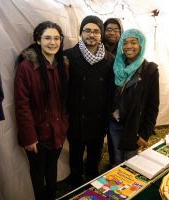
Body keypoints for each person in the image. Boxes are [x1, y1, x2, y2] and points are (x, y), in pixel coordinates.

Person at [14, 21, 68, 200]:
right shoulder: (26, 67)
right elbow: (22, 105)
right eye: (47, 38)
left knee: (52, 168)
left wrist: (64, 124)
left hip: (58, 130)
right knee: (38, 174)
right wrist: (29, 137)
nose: (53, 42)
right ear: (38, 40)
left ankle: (52, 195)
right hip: (37, 134)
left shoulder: (63, 65)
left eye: (56, 38)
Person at [64, 15, 115, 188]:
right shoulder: (68, 56)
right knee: (75, 156)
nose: (91, 35)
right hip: (76, 118)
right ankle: (76, 184)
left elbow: (110, 92)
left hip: (98, 119)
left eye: (96, 31)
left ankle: (93, 184)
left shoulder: (110, 60)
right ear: (81, 33)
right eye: (87, 30)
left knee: (95, 156)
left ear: (101, 35)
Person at [109, 29, 159, 164]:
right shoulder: (116, 66)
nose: (128, 46)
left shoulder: (150, 70)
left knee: (130, 160)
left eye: (133, 42)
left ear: (141, 45)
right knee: (117, 157)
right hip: (115, 122)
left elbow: (153, 105)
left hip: (134, 125)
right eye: (125, 43)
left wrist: (145, 133)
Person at [103, 18, 124, 168]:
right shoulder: (97, 50)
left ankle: (113, 163)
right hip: (98, 100)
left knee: (113, 137)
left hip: (115, 102)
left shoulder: (125, 52)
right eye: (109, 29)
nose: (112, 33)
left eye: (116, 30)